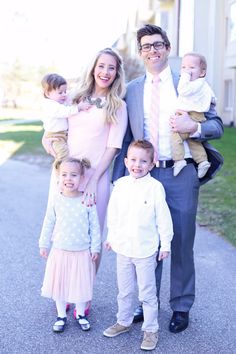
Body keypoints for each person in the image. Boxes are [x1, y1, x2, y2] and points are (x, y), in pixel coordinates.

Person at [112, 24, 224, 334]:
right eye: (146, 46)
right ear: (141, 52)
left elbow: (216, 125)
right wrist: (118, 180)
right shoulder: (132, 89)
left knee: (182, 241)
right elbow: (124, 139)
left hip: (181, 171)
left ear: (168, 47)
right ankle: (145, 304)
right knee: (146, 242)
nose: (152, 50)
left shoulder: (189, 82)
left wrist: (194, 127)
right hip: (145, 175)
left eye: (157, 44)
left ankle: (181, 306)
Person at [42, 48, 127, 314]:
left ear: (116, 73)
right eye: (101, 66)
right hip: (64, 177)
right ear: (93, 68)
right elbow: (55, 127)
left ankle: (84, 296)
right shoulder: (75, 98)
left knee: (91, 239)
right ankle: (65, 292)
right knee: (64, 234)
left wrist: (92, 181)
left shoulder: (118, 106)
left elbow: (112, 148)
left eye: (111, 68)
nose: (105, 72)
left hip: (95, 179)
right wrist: (47, 141)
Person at [103, 140, 173, 351]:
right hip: (123, 248)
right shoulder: (121, 185)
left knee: (147, 294)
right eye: (133, 160)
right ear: (125, 161)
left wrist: (165, 243)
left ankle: (150, 329)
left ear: (151, 164)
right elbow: (113, 214)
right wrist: (111, 236)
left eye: (143, 161)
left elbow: (163, 218)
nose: (137, 164)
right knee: (124, 291)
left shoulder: (155, 188)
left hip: (145, 250)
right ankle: (123, 321)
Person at [39, 157, 101, 332]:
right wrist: (43, 244)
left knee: (80, 285)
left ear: (82, 178)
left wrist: (95, 247)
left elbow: (94, 227)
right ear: (58, 177)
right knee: (60, 284)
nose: (68, 179)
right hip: (60, 250)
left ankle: (80, 313)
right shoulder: (56, 200)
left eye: (73, 175)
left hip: (82, 251)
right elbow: (48, 222)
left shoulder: (87, 200)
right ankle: (61, 315)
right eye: (64, 175)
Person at [172, 52, 216, 177]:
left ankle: (179, 160)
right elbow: (212, 97)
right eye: (183, 67)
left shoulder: (192, 84)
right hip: (198, 115)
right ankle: (202, 161)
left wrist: (185, 76)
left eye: (191, 68)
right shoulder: (202, 83)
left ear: (202, 72)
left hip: (192, 114)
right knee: (193, 140)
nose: (187, 71)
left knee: (176, 135)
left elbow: (183, 90)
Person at [41, 73, 91, 160]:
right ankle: (61, 169)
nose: (64, 94)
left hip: (63, 134)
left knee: (67, 152)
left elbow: (70, 96)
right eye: (60, 92)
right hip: (55, 136)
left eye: (65, 91)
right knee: (62, 154)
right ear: (48, 93)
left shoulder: (59, 101)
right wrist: (78, 108)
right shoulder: (49, 105)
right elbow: (64, 111)